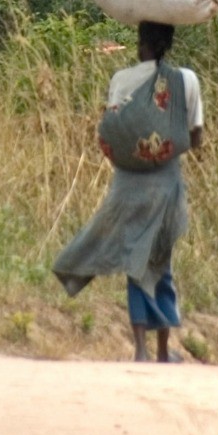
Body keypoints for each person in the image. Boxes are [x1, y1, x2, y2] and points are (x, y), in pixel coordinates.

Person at [51, 20, 204, 362]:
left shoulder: (121, 80)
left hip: (127, 183)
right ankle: (163, 350)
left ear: (140, 43)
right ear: (169, 42)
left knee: (135, 258)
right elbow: (195, 137)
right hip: (165, 184)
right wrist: (164, 146)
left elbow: (113, 132)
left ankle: (139, 349)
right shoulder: (187, 81)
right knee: (159, 260)